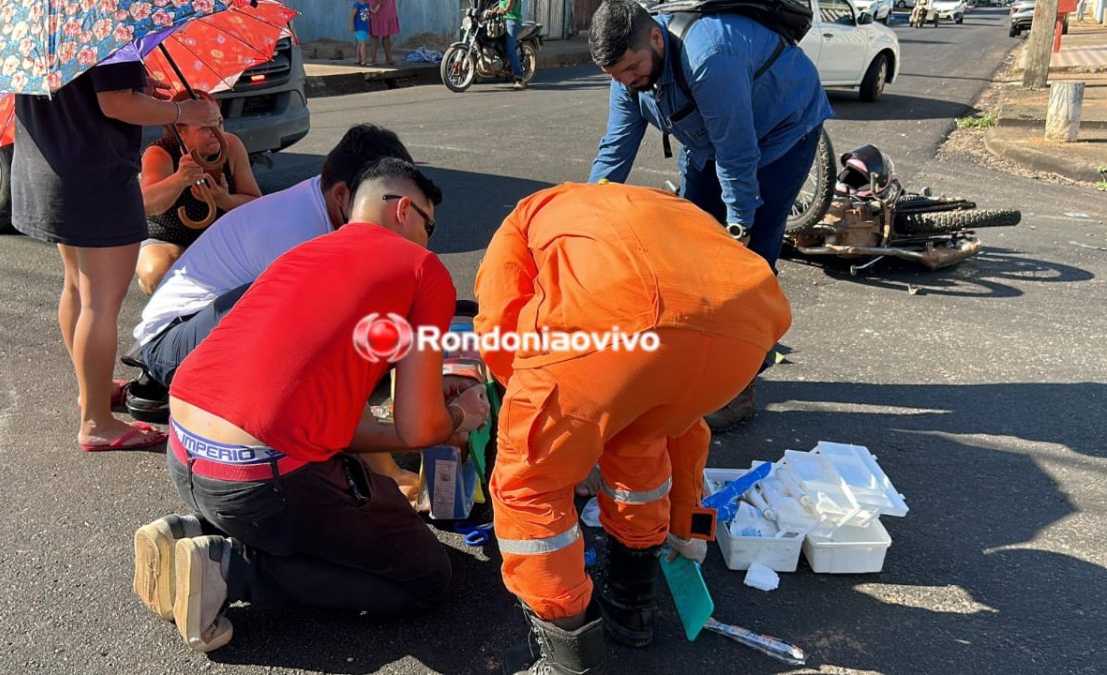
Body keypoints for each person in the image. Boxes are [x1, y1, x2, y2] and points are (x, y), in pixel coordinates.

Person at [132, 157, 491, 653]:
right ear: (405, 210)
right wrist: (459, 415)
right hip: (260, 481)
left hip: (188, 452)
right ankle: (229, 568)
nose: (431, 239)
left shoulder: (305, 252)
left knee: (327, 494)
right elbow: (417, 425)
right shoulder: (421, 267)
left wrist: (428, 417)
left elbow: (334, 428)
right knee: (427, 577)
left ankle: (193, 529)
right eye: (430, 224)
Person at [473, 182, 791, 674]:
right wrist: (692, 530)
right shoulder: (666, 210)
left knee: (530, 486)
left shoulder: (527, 214)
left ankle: (565, 659)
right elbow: (689, 438)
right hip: (745, 330)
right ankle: (632, 605)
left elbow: (499, 323)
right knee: (645, 435)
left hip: (616, 322)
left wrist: (543, 419)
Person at [586, 0, 831, 430]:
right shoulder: (628, 79)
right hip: (706, 140)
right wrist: (583, 217)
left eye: (632, 69)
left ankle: (738, 387)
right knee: (688, 256)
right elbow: (615, 151)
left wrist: (739, 230)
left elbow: (738, 156)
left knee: (745, 269)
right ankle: (693, 366)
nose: (628, 82)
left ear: (656, 38)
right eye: (617, 76)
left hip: (780, 132)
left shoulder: (709, 57)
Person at [11, 58, 220, 452]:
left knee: (76, 287)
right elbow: (115, 104)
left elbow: (95, 93)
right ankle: (96, 422)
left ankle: (94, 390)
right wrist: (182, 111)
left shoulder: (50, 22)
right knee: (100, 304)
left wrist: (138, 88)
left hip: (52, 169)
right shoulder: (106, 16)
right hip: (97, 177)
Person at [135, 91, 261, 295]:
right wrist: (179, 179)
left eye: (219, 123)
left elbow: (257, 204)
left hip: (220, 234)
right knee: (158, 274)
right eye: (205, 127)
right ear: (180, 131)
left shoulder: (231, 145)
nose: (216, 132)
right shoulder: (159, 153)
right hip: (169, 236)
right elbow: (146, 204)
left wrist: (225, 199)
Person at [497, 0, 527, 90]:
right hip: (501, 19)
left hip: (512, 20)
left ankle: (519, 78)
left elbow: (510, 2)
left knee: (510, 50)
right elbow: (499, 6)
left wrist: (505, 10)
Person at [370, 0, 400, 65]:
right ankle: (373, 59)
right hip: (375, 3)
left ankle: (388, 58)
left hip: (388, 5)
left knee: (387, 34)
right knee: (374, 34)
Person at [351, 0, 374, 65]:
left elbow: (373, 11)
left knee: (360, 43)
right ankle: (364, 61)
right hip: (359, 27)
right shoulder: (357, 5)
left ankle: (358, 59)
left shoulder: (367, 5)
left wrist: (379, 4)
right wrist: (351, 25)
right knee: (363, 43)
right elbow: (352, 16)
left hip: (365, 27)